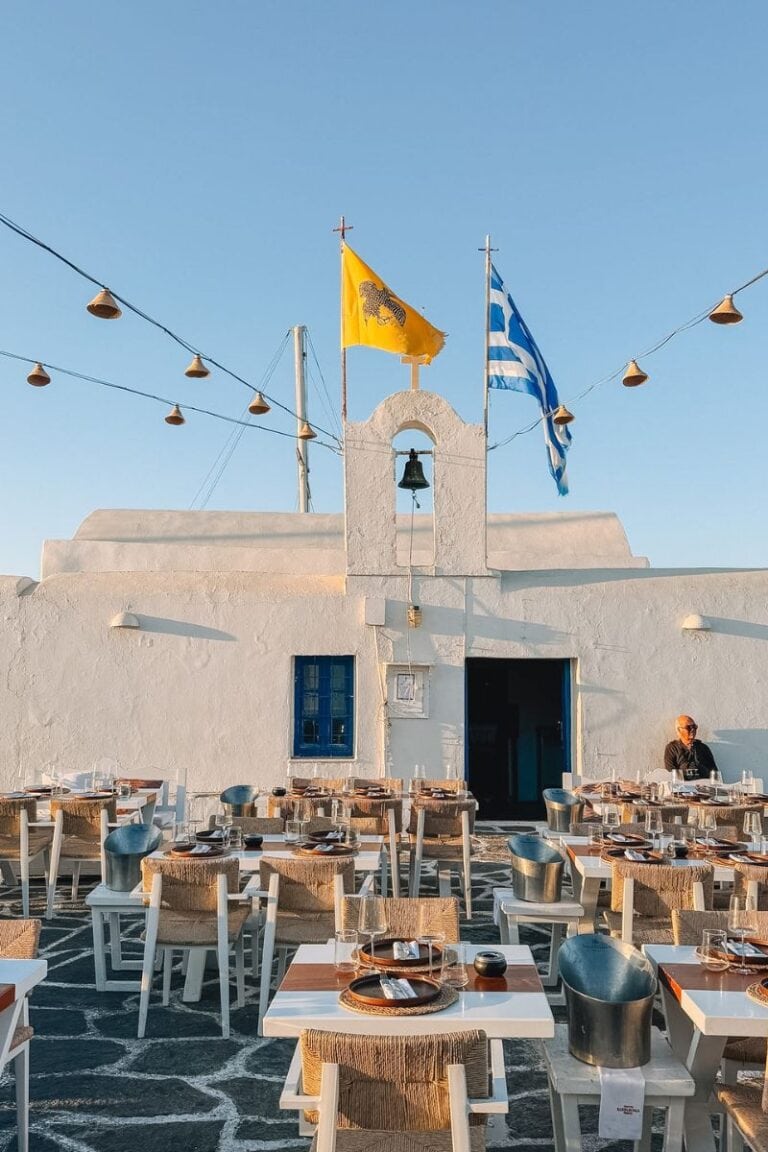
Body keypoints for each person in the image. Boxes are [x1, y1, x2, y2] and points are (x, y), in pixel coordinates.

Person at [663, 715, 718, 781]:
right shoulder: (672, 748)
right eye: (688, 727)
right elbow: (670, 773)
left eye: (694, 727)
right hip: (683, 789)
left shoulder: (703, 748)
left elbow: (715, 774)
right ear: (679, 730)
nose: (692, 730)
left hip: (704, 789)